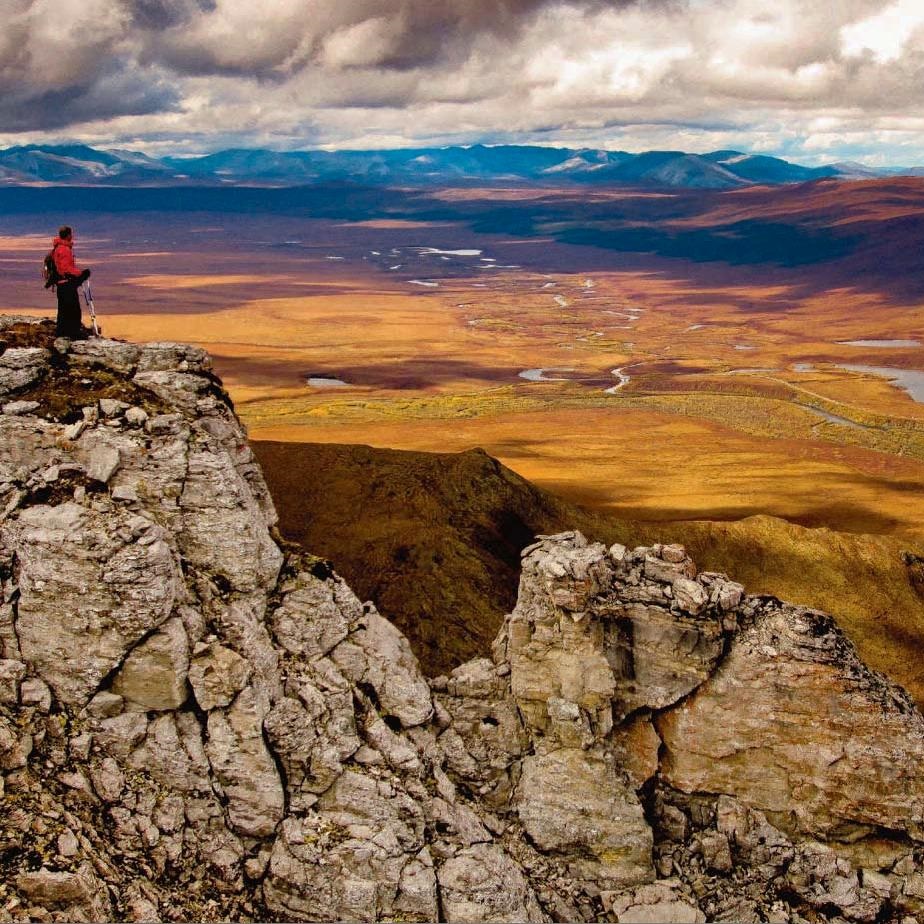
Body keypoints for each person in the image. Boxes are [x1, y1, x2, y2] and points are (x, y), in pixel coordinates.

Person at [50, 226, 91, 338]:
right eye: (71, 234)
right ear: (68, 235)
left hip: (61, 283)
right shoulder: (64, 249)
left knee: (63, 309)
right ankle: (74, 332)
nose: (72, 236)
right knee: (73, 308)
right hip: (66, 283)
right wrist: (81, 274)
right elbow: (66, 268)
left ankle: (62, 331)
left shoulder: (57, 248)